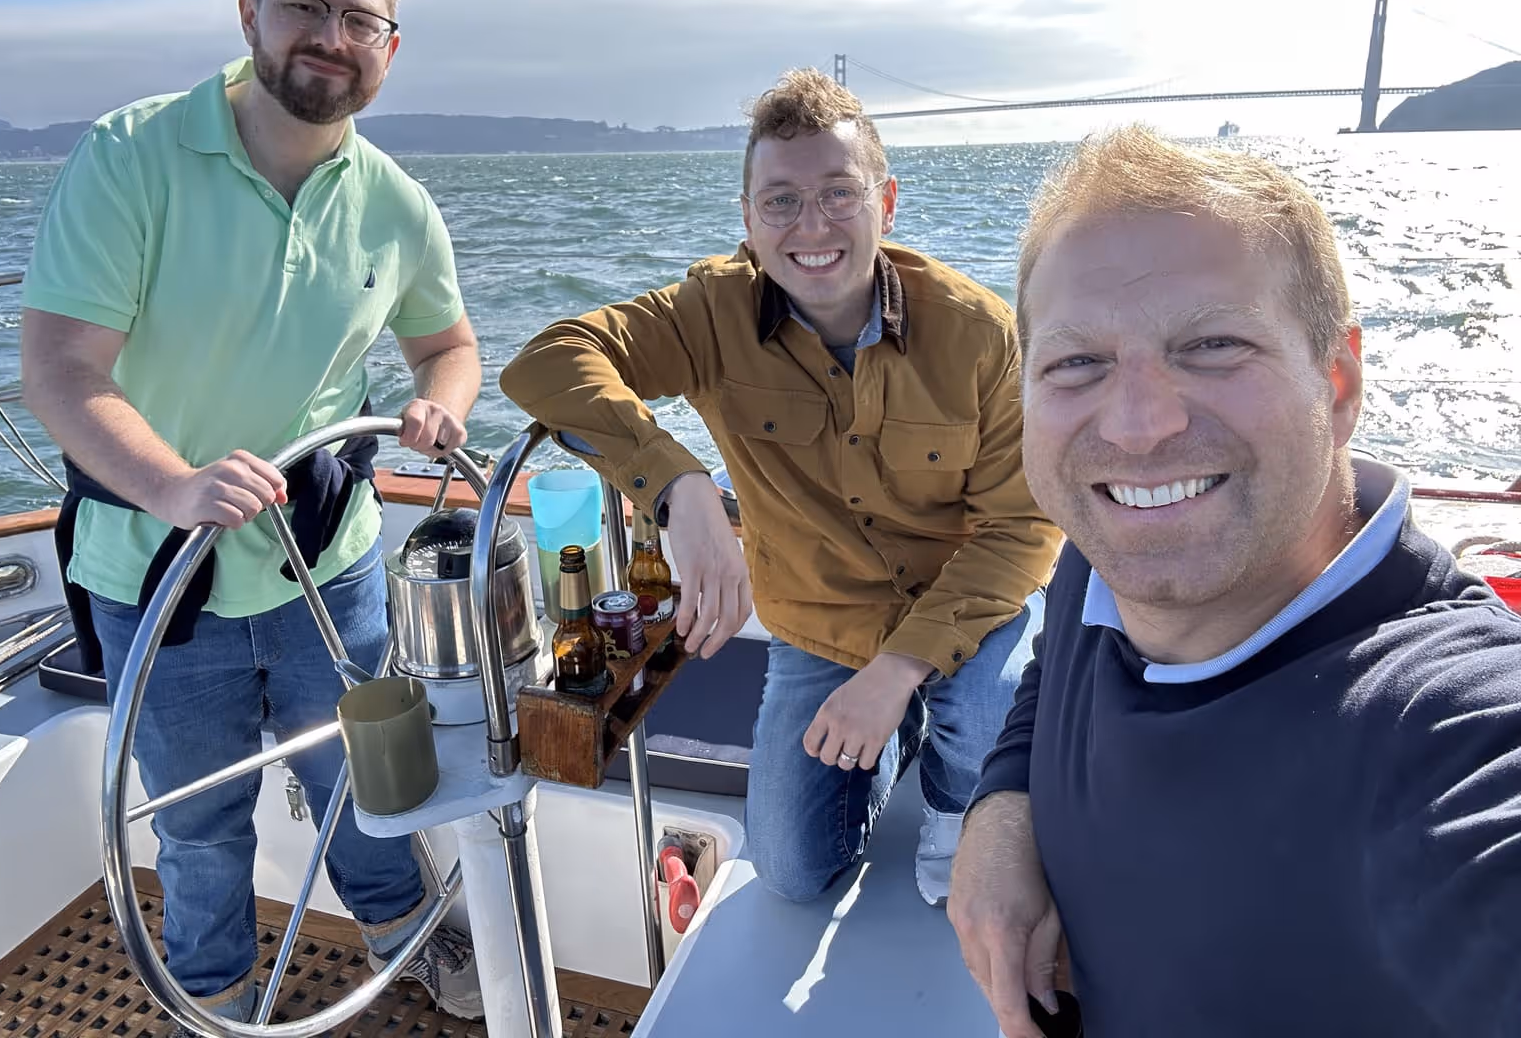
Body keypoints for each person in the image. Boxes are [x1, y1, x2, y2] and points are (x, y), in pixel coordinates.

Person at [948, 125, 1521, 1038]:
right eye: (1077, 363)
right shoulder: (1097, 559)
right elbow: (1053, 672)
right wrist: (1003, 812)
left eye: (1212, 344)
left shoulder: (1439, 726)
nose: (1138, 426)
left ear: (1335, 383)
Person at [19, 0, 483, 1029]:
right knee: (193, 818)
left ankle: (405, 939)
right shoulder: (131, 157)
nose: (329, 35)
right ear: (249, 10)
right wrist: (176, 486)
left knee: (374, 788)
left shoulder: (397, 205)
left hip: (330, 562)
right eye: (301, 5)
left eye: (358, 19)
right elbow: (63, 372)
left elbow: (450, 344)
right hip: (156, 570)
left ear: (388, 47)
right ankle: (219, 1000)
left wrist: (439, 402)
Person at [500, 68, 1060, 906]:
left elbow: (1020, 529)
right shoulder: (712, 314)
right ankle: (902, 734)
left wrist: (898, 668)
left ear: (887, 203)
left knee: (984, 715)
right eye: (782, 202)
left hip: (965, 605)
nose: (813, 227)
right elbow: (547, 359)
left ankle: (952, 792)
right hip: (821, 622)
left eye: (840, 194)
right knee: (794, 876)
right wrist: (677, 485)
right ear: (749, 221)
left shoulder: (979, 332)